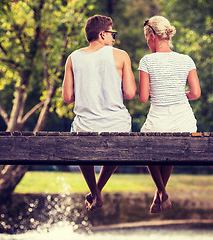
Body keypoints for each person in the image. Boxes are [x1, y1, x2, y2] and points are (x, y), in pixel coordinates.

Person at [62, 15, 136, 211]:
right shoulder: (121, 56)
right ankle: (98, 190)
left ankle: (95, 192)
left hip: (85, 127)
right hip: (117, 125)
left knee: (78, 137)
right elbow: (129, 93)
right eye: (112, 34)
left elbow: (68, 97)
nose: (114, 38)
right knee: (118, 144)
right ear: (102, 34)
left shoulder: (73, 58)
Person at [138, 16, 201, 213]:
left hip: (159, 120)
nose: (147, 42)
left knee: (146, 145)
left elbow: (142, 97)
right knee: (171, 146)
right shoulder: (186, 60)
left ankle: (161, 192)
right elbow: (196, 93)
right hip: (185, 122)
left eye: (147, 38)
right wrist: (179, 94)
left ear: (153, 36)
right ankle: (161, 195)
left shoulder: (147, 60)